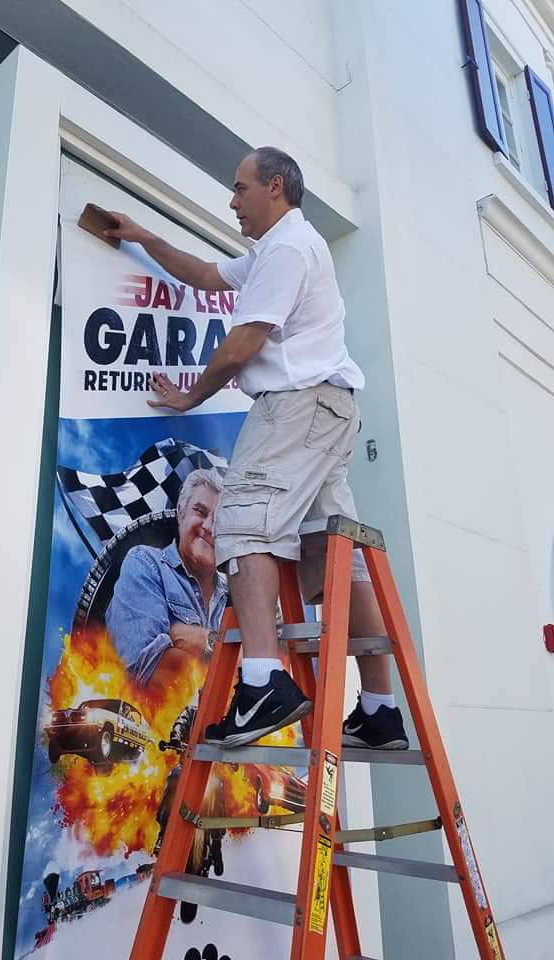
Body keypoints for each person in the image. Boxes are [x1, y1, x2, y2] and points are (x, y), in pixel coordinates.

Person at [104, 146, 408, 750]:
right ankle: (379, 708)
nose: (232, 200)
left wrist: (190, 397)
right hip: (326, 409)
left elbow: (243, 343)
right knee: (331, 549)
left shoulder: (289, 249)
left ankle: (264, 682)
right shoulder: (275, 251)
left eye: (240, 188)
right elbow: (204, 273)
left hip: (296, 405)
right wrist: (142, 235)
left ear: (276, 187)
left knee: (240, 520)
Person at [106, 468, 228, 691]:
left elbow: (262, 676)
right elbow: (146, 672)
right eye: (200, 512)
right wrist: (226, 656)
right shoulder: (145, 565)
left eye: (220, 521)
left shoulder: (236, 593)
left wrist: (204, 641)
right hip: (150, 723)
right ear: (181, 511)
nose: (210, 528)